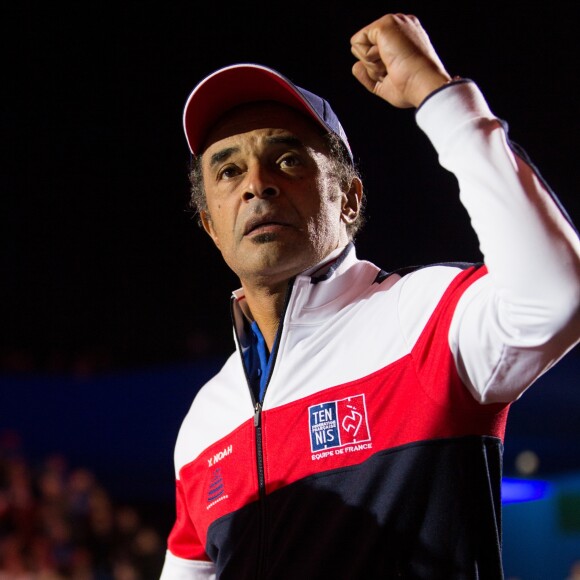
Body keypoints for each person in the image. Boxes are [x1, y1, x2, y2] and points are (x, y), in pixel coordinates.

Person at [160, 13, 580, 580]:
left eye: (287, 160)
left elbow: (555, 296)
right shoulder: (206, 418)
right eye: (229, 171)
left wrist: (438, 96)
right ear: (211, 227)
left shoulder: (422, 317)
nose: (257, 183)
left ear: (350, 200)